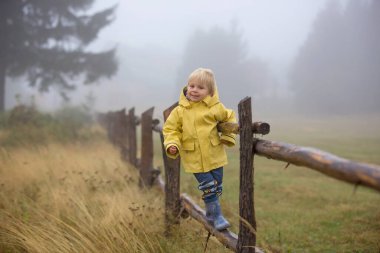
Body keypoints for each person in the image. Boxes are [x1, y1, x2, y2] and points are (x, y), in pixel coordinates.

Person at [163, 68, 236, 231]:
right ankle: (217, 217)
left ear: (210, 91)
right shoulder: (180, 111)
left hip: (214, 154)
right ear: (187, 87)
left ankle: (210, 214)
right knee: (209, 186)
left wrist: (227, 136)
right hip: (194, 156)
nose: (194, 90)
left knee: (216, 186)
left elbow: (229, 117)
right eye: (192, 86)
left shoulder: (215, 108)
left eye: (200, 87)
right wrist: (172, 144)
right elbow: (170, 130)